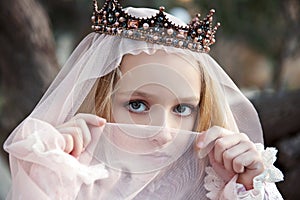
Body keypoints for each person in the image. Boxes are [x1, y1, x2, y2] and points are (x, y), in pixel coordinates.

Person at [3, 0, 283, 199]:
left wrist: (245, 186)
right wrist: (51, 180)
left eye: (183, 108)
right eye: (138, 105)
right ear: (100, 100)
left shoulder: (218, 185)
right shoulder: (64, 179)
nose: (163, 133)